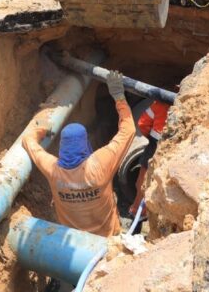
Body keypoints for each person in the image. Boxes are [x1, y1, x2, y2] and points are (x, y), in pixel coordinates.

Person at [22, 71, 135, 237]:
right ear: (85, 144)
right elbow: (128, 130)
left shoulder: (52, 170)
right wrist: (119, 97)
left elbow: (28, 141)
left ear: (62, 147)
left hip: (74, 240)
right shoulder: (100, 163)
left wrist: (41, 129)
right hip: (108, 238)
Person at [128, 99, 169, 215]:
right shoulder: (187, 104)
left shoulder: (159, 104)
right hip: (171, 148)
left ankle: (138, 210)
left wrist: (149, 137)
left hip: (154, 145)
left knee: (142, 181)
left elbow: (142, 123)